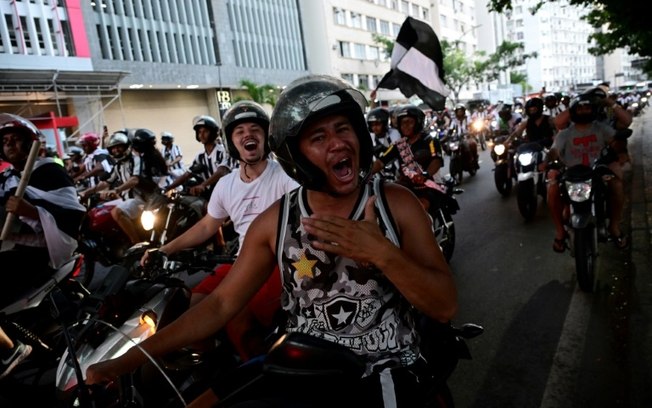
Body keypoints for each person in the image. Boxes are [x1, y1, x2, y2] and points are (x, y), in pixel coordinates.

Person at [86, 75, 458, 408]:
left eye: (343, 129)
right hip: (300, 360)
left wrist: (382, 253)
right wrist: (125, 361)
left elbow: (444, 306)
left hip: (382, 368)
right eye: (318, 137)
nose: (337, 143)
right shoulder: (276, 221)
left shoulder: (396, 204)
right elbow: (219, 305)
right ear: (297, 154)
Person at [140, 101, 298, 361]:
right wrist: (165, 249)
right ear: (232, 142)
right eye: (240, 132)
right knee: (193, 307)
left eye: (255, 129)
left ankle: (259, 375)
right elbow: (206, 226)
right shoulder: (226, 185)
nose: (248, 135)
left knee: (237, 318)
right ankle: (218, 361)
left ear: (266, 137)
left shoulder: (285, 176)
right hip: (241, 263)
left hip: (280, 264)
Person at [0, 113, 85, 379]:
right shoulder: (7, 179)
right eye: (5, 141)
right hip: (12, 249)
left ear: (29, 143)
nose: (10, 145)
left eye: (15, 140)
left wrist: (31, 210)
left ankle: (10, 349)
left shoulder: (49, 170)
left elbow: (72, 212)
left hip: (37, 254)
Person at [546, 93, 627, 253]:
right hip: (571, 172)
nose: (584, 111)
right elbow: (554, 149)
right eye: (580, 108)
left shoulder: (601, 128)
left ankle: (614, 226)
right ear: (574, 110)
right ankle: (560, 232)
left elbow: (615, 141)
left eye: (587, 108)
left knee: (616, 185)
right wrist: (550, 160)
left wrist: (620, 150)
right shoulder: (565, 133)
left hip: (597, 170)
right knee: (552, 188)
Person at [80, 129, 168, 245]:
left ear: (126, 146)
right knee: (99, 210)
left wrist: (116, 189)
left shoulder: (136, 160)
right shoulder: (118, 165)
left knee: (117, 212)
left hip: (142, 199)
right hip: (127, 198)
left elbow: (135, 179)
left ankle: (136, 244)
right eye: (113, 148)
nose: (116, 150)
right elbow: (106, 182)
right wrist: (86, 192)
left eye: (119, 147)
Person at [371, 104, 445, 213]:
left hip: (428, 185)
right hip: (406, 186)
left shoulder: (430, 140)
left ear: (418, 122)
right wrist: (365, 174)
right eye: (402, 123)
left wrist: (425, 174)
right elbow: (380, 162)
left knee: (420, 207)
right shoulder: (398, 145)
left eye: (409, 122)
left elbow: (436, 160)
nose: (405, 126)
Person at [164, 115, 237, 199]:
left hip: (230, 193)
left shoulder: (223, 152)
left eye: (205, 131)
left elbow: (222, 171)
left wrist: (202, 185)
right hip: (212, 195)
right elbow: (187, 174)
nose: (201, 135)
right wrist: (168, 187)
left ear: (213, 132)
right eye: (199, 132)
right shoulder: (200, 157)